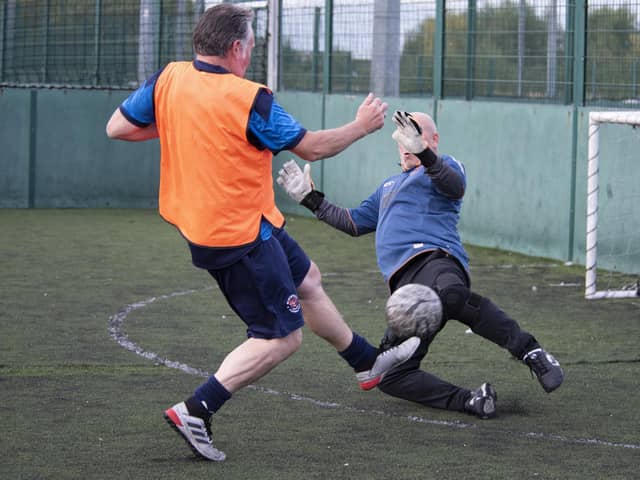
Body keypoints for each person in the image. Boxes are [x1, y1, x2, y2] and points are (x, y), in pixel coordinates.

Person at [105, 4, 420, 462]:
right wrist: (361, 126)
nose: (251, 54)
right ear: (236, 48)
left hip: (237, 223)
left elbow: (117, 127)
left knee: (308, 279)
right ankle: (197, 408)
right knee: (280, 337)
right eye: (251, 46)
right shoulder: (249, 98)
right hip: (235, 236)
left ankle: (367, 362)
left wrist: (184, 125)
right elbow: (312, 146)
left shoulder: (168, 79)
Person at [277, 110, 564, 420]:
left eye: (413, 133)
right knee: (388, 377)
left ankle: (530, 350)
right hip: (405, 294)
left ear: (433, 140)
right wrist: (310, 198)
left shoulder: (445, 167)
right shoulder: (388, 187)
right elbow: (353, 222)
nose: (405, 142)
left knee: (451, 295)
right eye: (401, 136)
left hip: (436, 262)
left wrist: (424, 153)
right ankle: (471, 401)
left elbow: (455, 187)